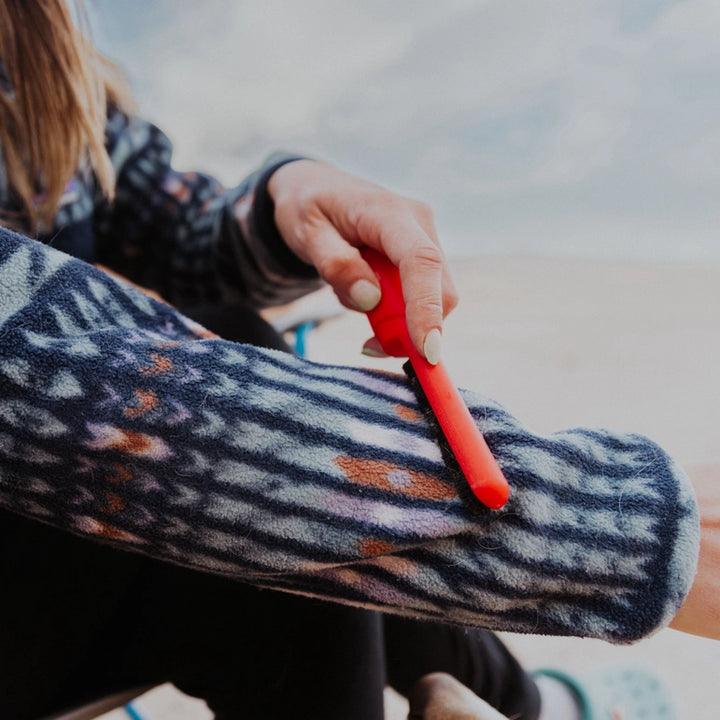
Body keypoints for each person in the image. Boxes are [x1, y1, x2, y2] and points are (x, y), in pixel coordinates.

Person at [0, 2, 714, 720]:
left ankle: (520, 703)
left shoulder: (33, 51)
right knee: (259, 452)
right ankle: (531, 706)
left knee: (258, 426)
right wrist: (611, 526)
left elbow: (163, 229)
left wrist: (285, 203)